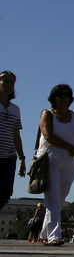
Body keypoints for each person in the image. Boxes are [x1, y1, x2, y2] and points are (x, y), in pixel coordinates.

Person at [37, 84, 74, 246]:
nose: (63, 99)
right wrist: (72, 148)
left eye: (67, 95)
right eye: (60, 95)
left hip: (70, 162)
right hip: (50, 160)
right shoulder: (47, 114)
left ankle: (45, 233)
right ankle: (54, 236)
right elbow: (48, 136)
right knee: (53, 197)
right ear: (54, 98)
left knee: (60, 199)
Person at [0, 70, 25, 211]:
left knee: (6, 193)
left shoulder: (15, 109)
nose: (9, 84)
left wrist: (22, 157)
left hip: (9, 157)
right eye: (5, 80)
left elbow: (16, 135)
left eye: (12, 82)